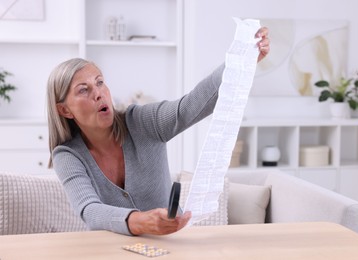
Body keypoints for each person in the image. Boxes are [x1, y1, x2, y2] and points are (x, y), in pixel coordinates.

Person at [46, 26, 269, 236]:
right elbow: (89, 210)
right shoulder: (67, 155)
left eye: (100, 82)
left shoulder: (143, 122)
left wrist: (240, 61)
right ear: (65, 109)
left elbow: (190, 106)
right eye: (83, 90)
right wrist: (139, 221)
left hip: (175, 244)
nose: (98, 93)